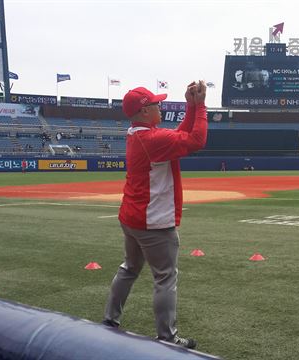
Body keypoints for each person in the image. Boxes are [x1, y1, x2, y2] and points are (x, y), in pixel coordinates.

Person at [102, 81, 208, 349]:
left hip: (132, 217)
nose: (159, 106)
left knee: (129, 268)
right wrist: (201, 106)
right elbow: (196, 140)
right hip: (154, 221)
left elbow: (179, 137)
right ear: (144, 111)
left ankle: (109, 320)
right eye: (155, 104)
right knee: (165, 277)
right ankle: (167, 338)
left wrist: (191, 106)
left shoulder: (139, 134)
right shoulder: (152, 139)